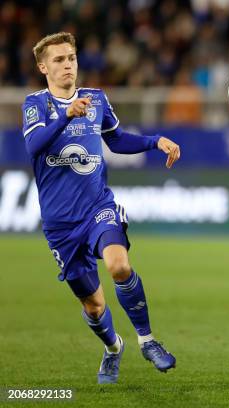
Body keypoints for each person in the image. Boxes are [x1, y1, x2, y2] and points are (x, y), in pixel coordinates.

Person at [22, 32, 181, 384]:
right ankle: (113, 348)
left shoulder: (95, 98)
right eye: (60, 60)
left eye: (72, 58)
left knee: (118, 265)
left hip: (97, 207)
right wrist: (65, 116)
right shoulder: (35, 104)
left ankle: (148, 341)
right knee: (93, 306)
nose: (68, 65)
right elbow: (34, 146)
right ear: (43, 66)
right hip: (60, 224)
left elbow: (116, 139)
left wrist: (155, 141)